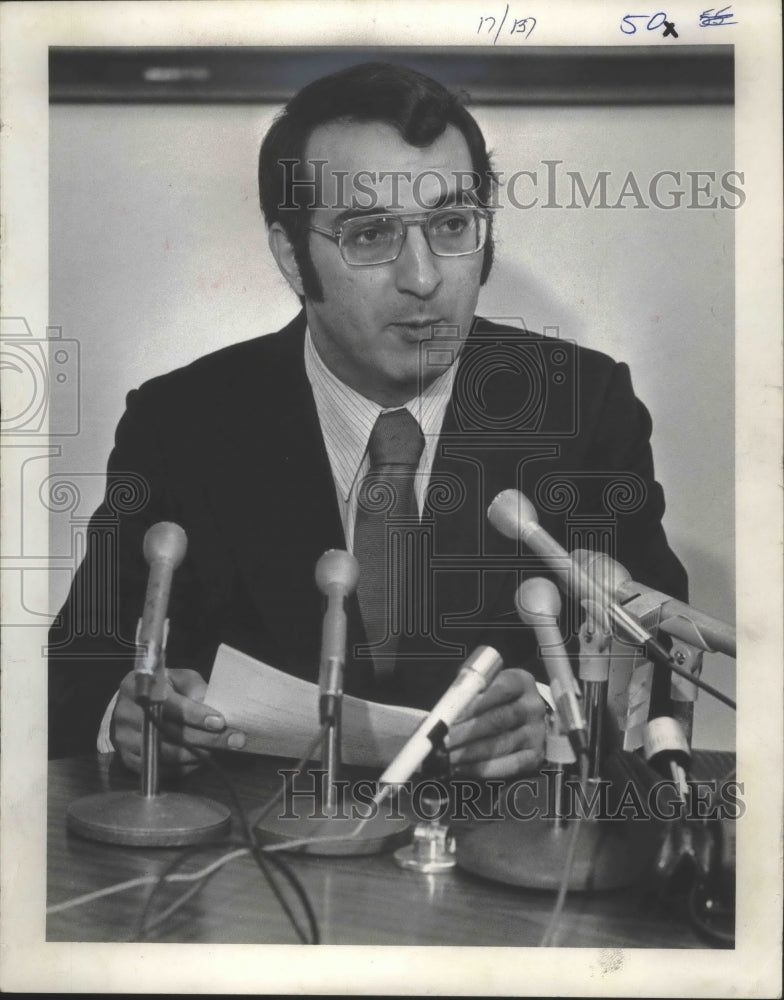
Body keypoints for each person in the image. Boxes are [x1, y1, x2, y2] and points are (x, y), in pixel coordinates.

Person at [48, 62, 687, 778]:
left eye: (451, 224)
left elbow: (661, 668)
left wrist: (553, 714)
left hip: (504, 856)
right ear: (293, 255)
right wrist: (127, 717)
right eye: (370, 234)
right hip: (259, 860)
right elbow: (76, 672)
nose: (423, 277)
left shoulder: (584, 405)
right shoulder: (183, 422)